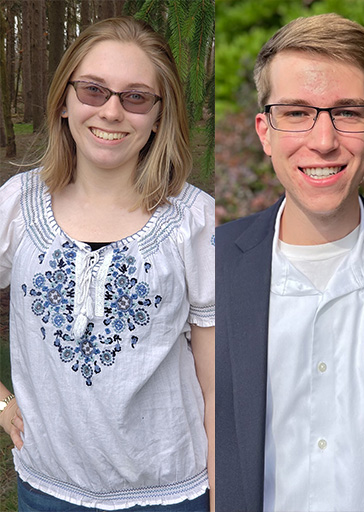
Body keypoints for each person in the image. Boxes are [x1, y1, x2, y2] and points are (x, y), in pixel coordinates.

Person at [214, 13, 364, 512]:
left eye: (347, 113)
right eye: (296, 112)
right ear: (264, 132)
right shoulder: (213, 261)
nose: (325, 140)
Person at [0, 16, 214, 511]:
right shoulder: (17, 205)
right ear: (64, 101)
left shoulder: (194, 220)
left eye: (136, 96)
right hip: (46, 489)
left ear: (159, 115)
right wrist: (2, 403)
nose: (112, 111)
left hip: (171, 492)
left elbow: (215, 378)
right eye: (94, 90)